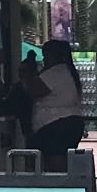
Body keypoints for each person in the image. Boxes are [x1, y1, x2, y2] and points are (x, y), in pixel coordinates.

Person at [27, 40, 86, 172]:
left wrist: (28, 73)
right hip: (69, 123)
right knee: (62, 164)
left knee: (56, 167)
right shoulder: (68, 72)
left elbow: (34, 90)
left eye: (46, 55)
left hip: (56, 126)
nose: (44, 59)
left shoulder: (55, 73)